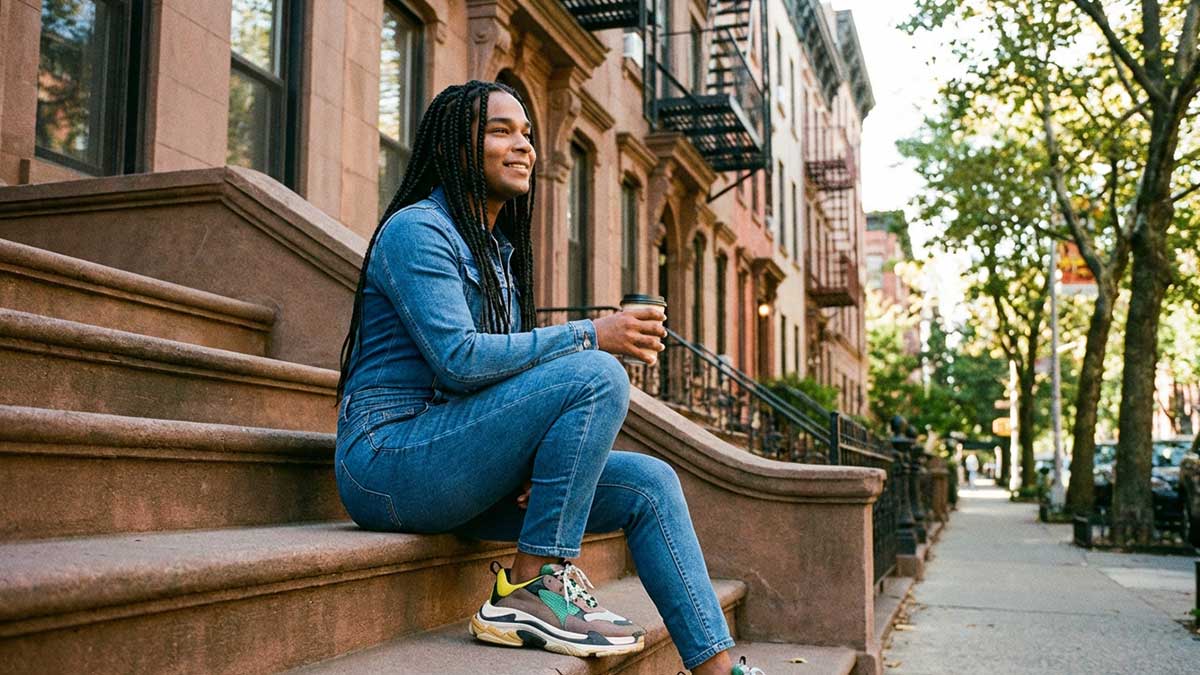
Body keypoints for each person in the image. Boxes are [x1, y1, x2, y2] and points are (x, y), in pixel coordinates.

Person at [335, 81, 758, 675]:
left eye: (528, 134)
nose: (524, 146)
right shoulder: (417, 230)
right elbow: (460, 360)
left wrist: (537, 459)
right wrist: (592, 333)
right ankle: (532, 587)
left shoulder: (496, 254)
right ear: (456, 147)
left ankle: (718, 671)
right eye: (500, 131)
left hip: (453, 459)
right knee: (597, 372)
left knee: (650, 483)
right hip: (389, 462)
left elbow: (498, 381)